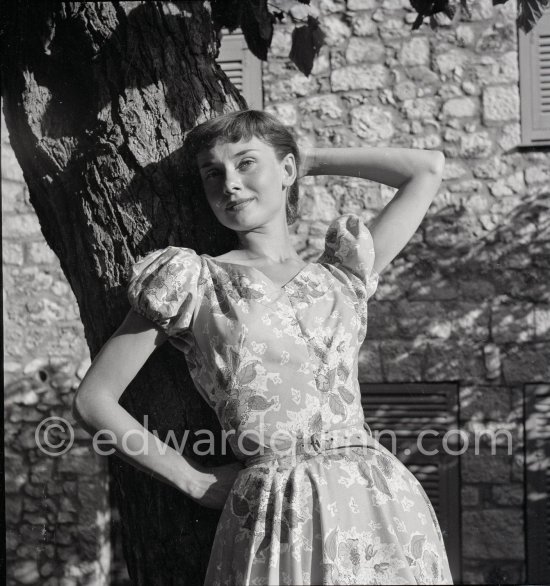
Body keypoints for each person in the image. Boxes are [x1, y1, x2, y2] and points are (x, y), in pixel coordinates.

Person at [73, 109, 453, 585]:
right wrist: (194, 479)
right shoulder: (194, 280)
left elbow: (426, 169)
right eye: (214, 173)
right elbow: (93, 400)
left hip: (377, 503)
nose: (229, 183)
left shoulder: (342, 276)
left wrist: (305, 156)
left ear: (287, 171)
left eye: (247, 163)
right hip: (276, 510)